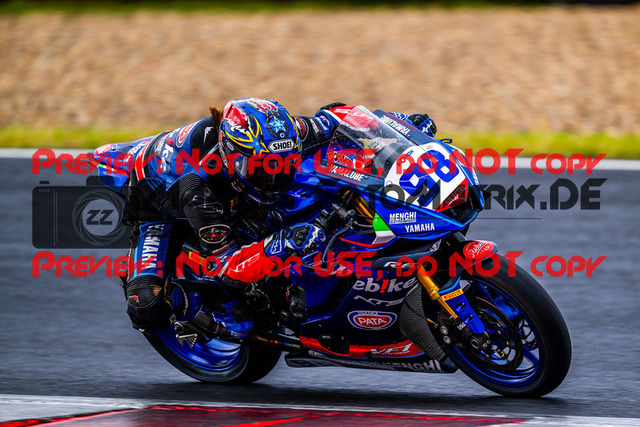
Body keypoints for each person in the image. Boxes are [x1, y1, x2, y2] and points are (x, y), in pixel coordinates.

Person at [121, 98, 437, 334]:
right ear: (231, 158)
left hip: (228, 190)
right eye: (262, 169)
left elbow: (341, 116)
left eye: (283, 163)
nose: (274, 176)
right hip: (158, 204)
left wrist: (402, 126)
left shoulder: (284, 134)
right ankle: (190, 304)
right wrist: (282, 241)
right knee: (148, 306)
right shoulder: (197, 189)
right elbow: (228, 267)